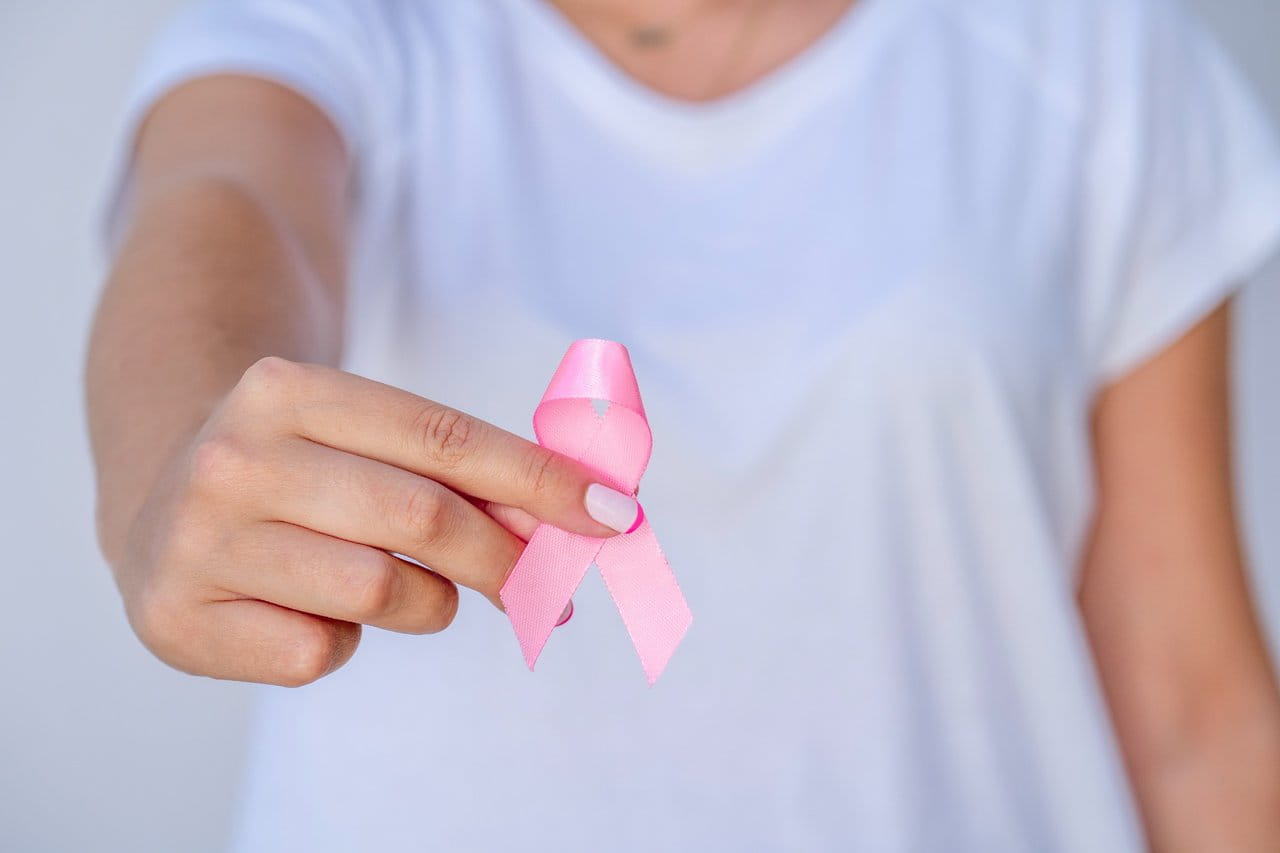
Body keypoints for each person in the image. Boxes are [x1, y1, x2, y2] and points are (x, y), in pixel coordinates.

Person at [86, 0, 1280, 849]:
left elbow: (1188, 708)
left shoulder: (1098, 55)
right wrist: (182, 446)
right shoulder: (342, 26)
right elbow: (225, 196)